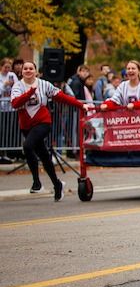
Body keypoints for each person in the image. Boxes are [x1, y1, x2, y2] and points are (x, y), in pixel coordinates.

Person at [10, 61, 89, 200]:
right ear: (21, 71)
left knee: (28, 146)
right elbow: (15, 103)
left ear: (35, 71)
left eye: (31, 68)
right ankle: (57, 184)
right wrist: (29, 93)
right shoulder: (18, 86)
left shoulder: (44, 84)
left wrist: (81, 105)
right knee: (44, 156)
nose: (28, 70)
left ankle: (36, 182)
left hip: (43, 122)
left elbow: (62, 97)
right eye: (25, 69)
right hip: (26, 125)